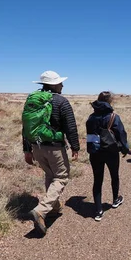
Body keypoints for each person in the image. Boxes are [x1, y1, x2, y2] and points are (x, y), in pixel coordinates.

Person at [23, 70, 80, 236]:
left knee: (50, 175)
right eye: (60, 83)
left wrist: (27, 149)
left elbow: (25, 126)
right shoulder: (61, 101)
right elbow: (70, 126)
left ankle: (53, 208)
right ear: (54, 84)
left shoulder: (32, 100)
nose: (62, 85)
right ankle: (41, 210)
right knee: (61, 177)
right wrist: (75, 146)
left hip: (37, 146)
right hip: (55, 147)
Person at [86, 91, 130, 221]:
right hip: (111, 152)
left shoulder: (91, 117)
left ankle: (98, 210)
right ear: (109, 102)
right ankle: (115, 199)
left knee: (97, 180)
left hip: (95, 152)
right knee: (114, 175)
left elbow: (89, 134)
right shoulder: (113, 117)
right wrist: (125, 149)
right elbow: (121, 134)